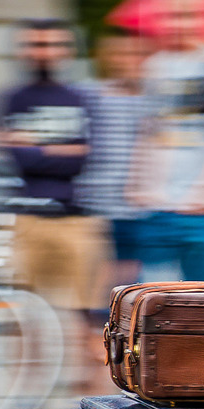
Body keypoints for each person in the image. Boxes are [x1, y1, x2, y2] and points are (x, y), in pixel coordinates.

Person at [0, 18, 105, 389]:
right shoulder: (11, 99)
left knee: (85, 310)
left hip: (76, 217)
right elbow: (18, 158)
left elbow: (85, 158)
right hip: (26, 217)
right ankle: (22, 390)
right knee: (21, 310)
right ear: (24, 50)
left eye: (52, 44)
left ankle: (88, 390)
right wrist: (58, 149)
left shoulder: (79, 97)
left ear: (66, 50)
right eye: (36, 44)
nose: (44, 52)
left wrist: (35, 145)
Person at [132, 0, 204, 282]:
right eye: (171, 15)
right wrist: (141, 183)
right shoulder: (155, 67)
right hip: (159, 203)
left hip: (203, 207)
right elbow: (150, 129)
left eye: (189, 15)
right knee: (156, 296)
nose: (180, 24)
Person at [78, 29, 160, 282]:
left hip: (140, 201)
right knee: (96, 269)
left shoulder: (157, 98)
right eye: (122, 54)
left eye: (139, 54)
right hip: (96, 198)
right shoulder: (88, 95)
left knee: (135, 269)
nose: (130, 61)